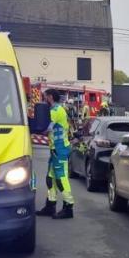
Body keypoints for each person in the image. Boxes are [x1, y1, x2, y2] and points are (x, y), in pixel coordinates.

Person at [35, 89, 75, 219]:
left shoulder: (56, 111)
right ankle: (50, 205)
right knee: (50, 178)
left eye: (45, 97)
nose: (43, 99)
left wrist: (32, 125)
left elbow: (45, 128)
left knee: (61, 179)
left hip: (60, 149)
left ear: (50, 97)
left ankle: (68, 207)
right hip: (55, 150)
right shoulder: (55, 109)